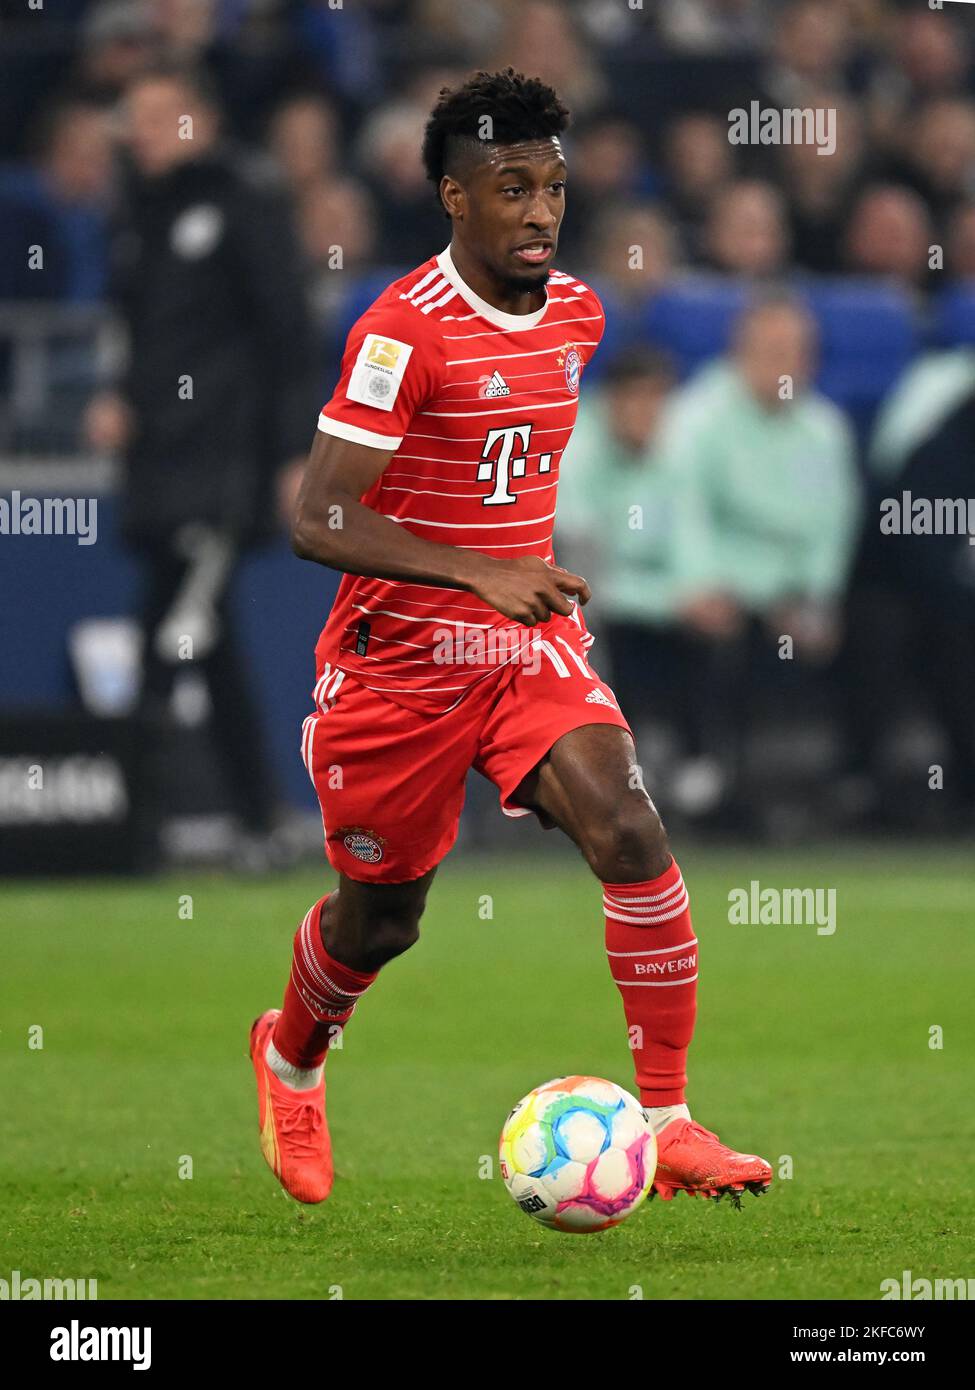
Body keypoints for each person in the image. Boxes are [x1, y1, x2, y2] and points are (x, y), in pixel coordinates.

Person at [249, 68, 773, 1208]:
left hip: (522, 649)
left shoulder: (581, 316)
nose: (538, 210)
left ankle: (671, 1118)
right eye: (510, 188)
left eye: (553, 188)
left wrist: (511, 590)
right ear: (453, 196)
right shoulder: (401, 332)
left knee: (628, 821)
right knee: (381, 919)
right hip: (395, 664)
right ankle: (291, 1055)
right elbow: (317, 516)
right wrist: (482, 570)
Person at [84, 62, 321, 866]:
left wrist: (295, 453)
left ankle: (130, 827)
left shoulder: (243, 200)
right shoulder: (138, 216)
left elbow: (288, 336)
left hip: (219, 468)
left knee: (169, 637)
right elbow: (136, 334)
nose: (137, 133)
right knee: (203, 641)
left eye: (156, 116)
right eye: (132, 118)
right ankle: (260, 820)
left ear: (199, 121)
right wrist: (118, 398)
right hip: (155, 469)